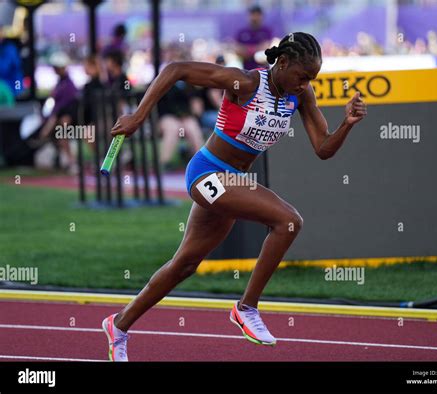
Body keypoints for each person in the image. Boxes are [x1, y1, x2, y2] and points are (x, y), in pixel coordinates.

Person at [102, 32, 367, 361]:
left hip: (232, 181)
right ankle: (247, 308)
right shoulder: (244, 83)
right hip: (206, 173)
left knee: (184, 265)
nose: (305, 84)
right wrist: (139, 116)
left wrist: (348, 124)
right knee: (288, 221)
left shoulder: (300, 95)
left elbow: (324, 148)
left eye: (311, 78)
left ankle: (119, 325)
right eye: (302, 76)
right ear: (282, 63)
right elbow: (176, 69)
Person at [37, 51, 79, 173]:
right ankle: (68, 162)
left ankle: (72, 163)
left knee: (62, 137)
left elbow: (61, 108)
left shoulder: (67, 85)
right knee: (60, 138)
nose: (54, 69)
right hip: (61, 119)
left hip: (69, 119)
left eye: (57, 67)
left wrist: (48, 126)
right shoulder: (61, 83)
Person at [235, 5, 273, 70]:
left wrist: (247, 50)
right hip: (246, 71)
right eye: (253, 15)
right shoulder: (242, 32)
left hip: (263, 71)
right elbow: (237, 50)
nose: (255, 18)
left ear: (261, 16)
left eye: (257, 15)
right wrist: (256, 50)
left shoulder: (267, 31)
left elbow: (267, 48)